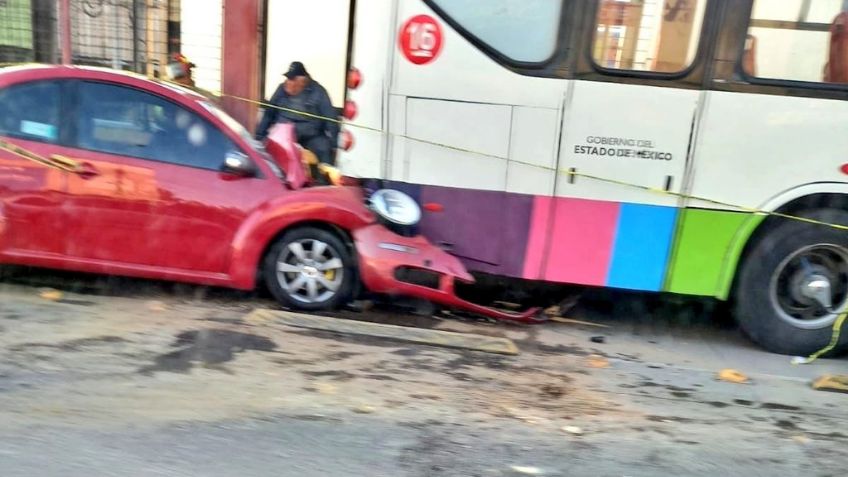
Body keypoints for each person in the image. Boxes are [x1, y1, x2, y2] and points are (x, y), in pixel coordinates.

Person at [255, 61, 339, 165]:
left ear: (302, 81)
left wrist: (335, 145)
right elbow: (269, 113)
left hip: (310, 137)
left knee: (323, 148)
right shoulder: (281, 89)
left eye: (292, 79)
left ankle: (324, 174)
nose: (288, 82)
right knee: (269, 149)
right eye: (288, 79)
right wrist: (259, 137)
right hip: (283, 135)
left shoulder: (318, 92)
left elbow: (331, 119)